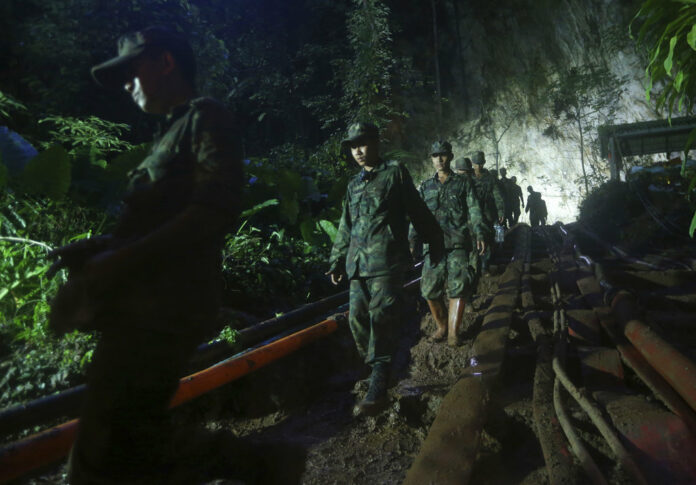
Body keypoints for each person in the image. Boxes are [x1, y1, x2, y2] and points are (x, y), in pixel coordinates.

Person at [53, 26, 243, 484]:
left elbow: (211, 210)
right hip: (141, 311)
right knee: (123, 438)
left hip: (165, 311)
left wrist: (118, 260)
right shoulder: (169, 135)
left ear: (165, 62)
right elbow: (159, 220)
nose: (126, 84)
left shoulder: (205, 117)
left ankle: (244, 465)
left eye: (131, 70)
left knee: (105, 443)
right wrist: (100, 247)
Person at [327, 122, 444, 415]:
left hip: (387, 261)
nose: (358, 151)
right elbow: (346, 226)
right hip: (357, 264)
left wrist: (435, 241)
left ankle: (379, 379)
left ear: (376, 143)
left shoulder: (394, 174)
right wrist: (337, 260)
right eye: (353, 146)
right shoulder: (353, 185)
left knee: (381, 316)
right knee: (357, 318)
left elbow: (417, 210)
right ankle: (380, 368)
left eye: (363, 143)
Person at [412, 141, 485, 346]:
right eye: (436, 156)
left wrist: (479, 232)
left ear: (451, 157)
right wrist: (412, 241)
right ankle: (442, 325)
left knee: (459, 286)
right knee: (428, 289)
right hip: (433, 246)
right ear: (432, 158)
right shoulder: (425, 187)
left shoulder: (463, 183)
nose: (440, 159)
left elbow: (474, 209)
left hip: (457, 243)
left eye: (443, 155)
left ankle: (453, 332)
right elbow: (417, 217)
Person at [470, 151, 505, 274]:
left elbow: (497, 195)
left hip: (487, 213)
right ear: (472, 163)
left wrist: (500, 211)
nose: (478, 166)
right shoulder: (468, 177)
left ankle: (485, 265)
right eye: (475, 164)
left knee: (488, 239)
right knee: (473, 239)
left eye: (480, 164)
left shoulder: (490, 178)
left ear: (484, 163)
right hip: (472, 215)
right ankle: (474, 266)